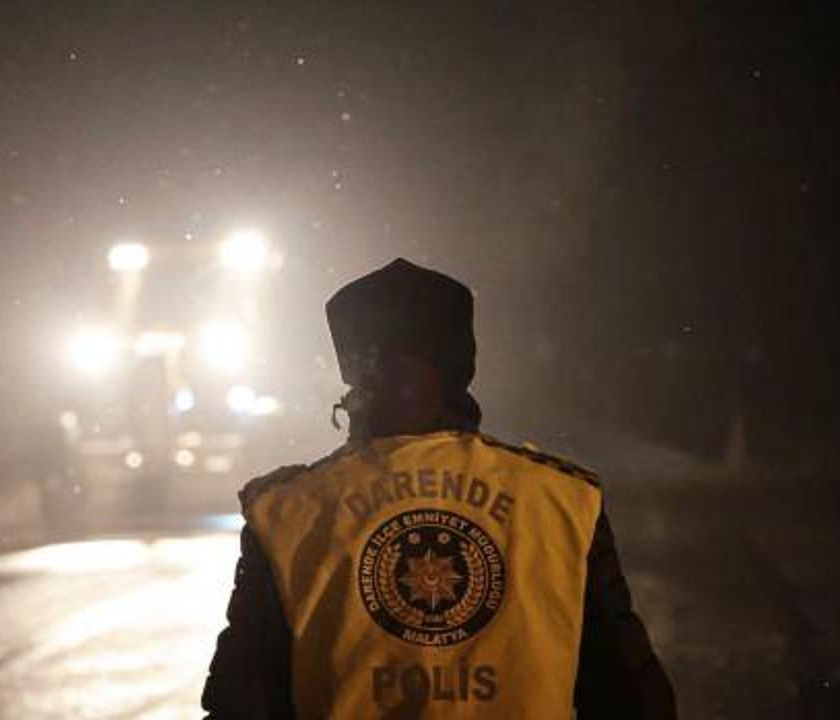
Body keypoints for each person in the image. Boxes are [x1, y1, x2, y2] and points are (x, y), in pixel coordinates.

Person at [202, 258, 675, 719]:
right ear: (460, 368)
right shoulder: (562, 501)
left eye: (365, 366)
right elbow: (630, 698)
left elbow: (243, 702)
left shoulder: (288, 511)